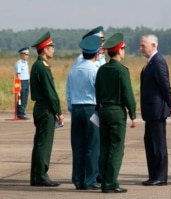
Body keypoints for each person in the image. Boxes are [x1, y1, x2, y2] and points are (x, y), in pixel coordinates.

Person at [95, 33, 138, 193]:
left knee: (104, 147)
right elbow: (128, 94)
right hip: (116, 111)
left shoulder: (102, 69)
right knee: (116, 148)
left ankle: (104, 180)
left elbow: (97, 92)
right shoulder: (122, 71)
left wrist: (98, 109)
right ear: (119, 50)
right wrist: (133, 114)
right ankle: (111, 183)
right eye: (123, 49)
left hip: (103, 110)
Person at [66, 35, 102, 190]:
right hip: (91, 109)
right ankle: (90, 180)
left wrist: (71, 107)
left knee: (78, 145)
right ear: (96, 54)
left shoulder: (73, 69)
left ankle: (78, 179)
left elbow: (68, 92)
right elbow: (99, 92)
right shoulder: (95, 70)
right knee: (93, 145)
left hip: (76, 108)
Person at [140, 34, 171, 186]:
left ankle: (160, 176)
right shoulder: (150, 62)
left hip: (157, 110)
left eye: (143, 46)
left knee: (158, 144)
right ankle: (153, 175)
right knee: (149, 143)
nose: (141, 49)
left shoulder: (158, 61)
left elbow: (165, 85)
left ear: (153, 45)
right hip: (150, 111)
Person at [30, 32, 64, 187]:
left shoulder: (37, 65)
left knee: (39, 143)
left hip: (39, 106)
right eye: (51, 47)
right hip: (46, 108)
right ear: (44, 49)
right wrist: (58, 111)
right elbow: (50, 92)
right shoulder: (43, 67)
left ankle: (36, 176)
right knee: (44, 143)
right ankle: (42, 175)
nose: (53, 49)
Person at [14, 47, 30, 119]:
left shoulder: (26, 63)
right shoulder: (19, 63)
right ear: (22, 54)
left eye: (28, 54)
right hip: (21, 81)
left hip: (26, 81)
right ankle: (20, 114)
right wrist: (19, 84)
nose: (27, 56)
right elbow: (18, 74)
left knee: (25, 98)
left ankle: (22, 112)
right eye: (26, 54)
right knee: (21, 97)